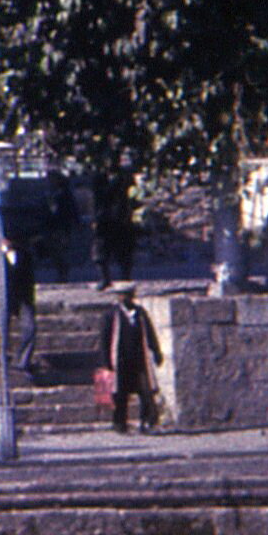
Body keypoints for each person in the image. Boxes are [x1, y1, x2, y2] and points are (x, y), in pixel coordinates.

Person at [100, 282, 164, 432]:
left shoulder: (140, 313)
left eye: (130, 295)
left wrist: (156, 351)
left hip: (139, 359)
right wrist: (106, 362)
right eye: (124, 295)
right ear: (119, 297)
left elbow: (150, 333)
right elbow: (105, 340)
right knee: (120, 393)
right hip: (120, 360)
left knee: (145, 391)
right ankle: (119, 423)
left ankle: (147, 421)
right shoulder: (111, 315)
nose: (127, 298)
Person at [0, 229, 39, 375]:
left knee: (29, 327)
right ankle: (0, 357)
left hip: (23, 298)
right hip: (4, 297)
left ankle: (22, 360)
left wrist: (30, 300)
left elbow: (30, 280)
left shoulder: (25, 255)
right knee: (0, 328)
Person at [91, 170, 140, 284]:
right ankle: (112, 278)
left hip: (114, 222)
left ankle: (117, 278)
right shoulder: (118, 186)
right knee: (107, 252)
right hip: (114, 222)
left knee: (116, 252)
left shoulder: (116, 186)